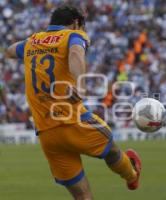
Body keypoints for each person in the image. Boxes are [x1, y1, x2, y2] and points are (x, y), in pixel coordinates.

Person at [5, 5, 141, 200]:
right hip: (73, 120)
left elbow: (10, 51)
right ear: (75, 23)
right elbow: (76, 53)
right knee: (111, 149)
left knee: (83, 196)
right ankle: (131, 175)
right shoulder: (73, 36)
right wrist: (81, 84)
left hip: (46, 133)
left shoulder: (31, 42)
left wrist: (32, 45)